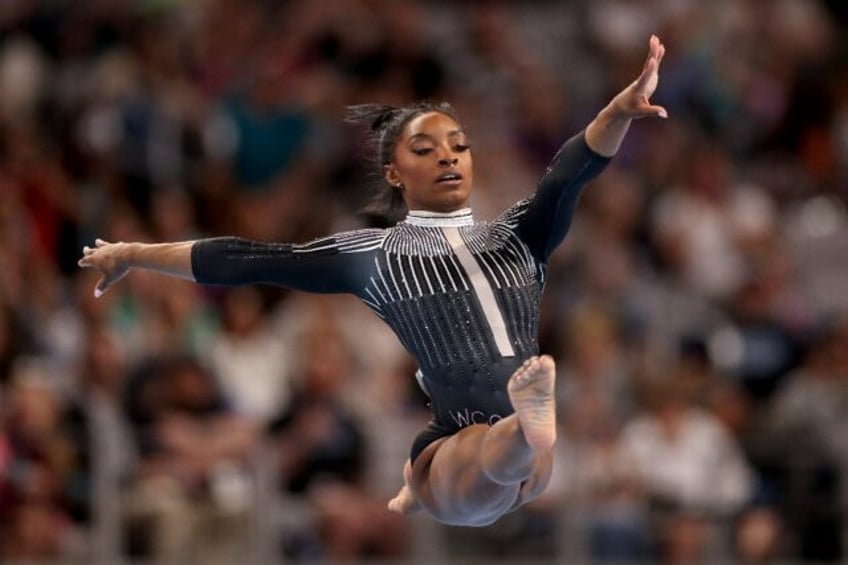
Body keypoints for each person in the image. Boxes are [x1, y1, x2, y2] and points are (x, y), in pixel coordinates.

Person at [79, 35, 667, 527]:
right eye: (426, 148)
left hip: (503, 453)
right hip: (456, 442)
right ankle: (511, 430)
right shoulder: (376, 253)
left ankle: (513, 431)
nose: (448, 157)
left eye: (459, 146)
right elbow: (249, 258)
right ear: (394, 171)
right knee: (485, 468)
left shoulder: (516, 234)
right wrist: (137, 251)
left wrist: (616, 112)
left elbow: (569, 171)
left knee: (509, 474)